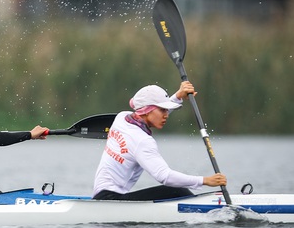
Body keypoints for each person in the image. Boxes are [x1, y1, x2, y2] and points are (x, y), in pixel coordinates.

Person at [92, 81, 227, 201]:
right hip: (112, 200)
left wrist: (178, 97)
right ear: (145, 110)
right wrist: (205, 180)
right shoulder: (143, 141)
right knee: (177, 191)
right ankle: (204, 209)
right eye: (163, 110)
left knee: (176, 191)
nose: (166, 115)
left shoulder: (121, 118)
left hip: (102, 195)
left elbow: (151, 113)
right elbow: (165, 176)